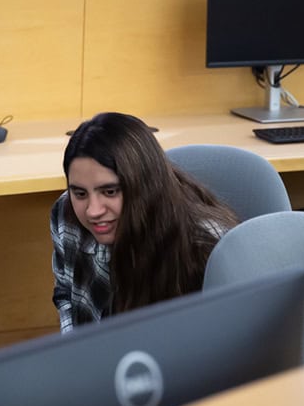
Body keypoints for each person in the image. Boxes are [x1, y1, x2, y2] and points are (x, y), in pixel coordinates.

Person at [51, 112, 238, 330]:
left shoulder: (205, 246)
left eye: (110, 191)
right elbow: (65, 296)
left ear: (145, 187)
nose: (93, 211)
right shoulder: (66, 213)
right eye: (80, 193)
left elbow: (224, 341)